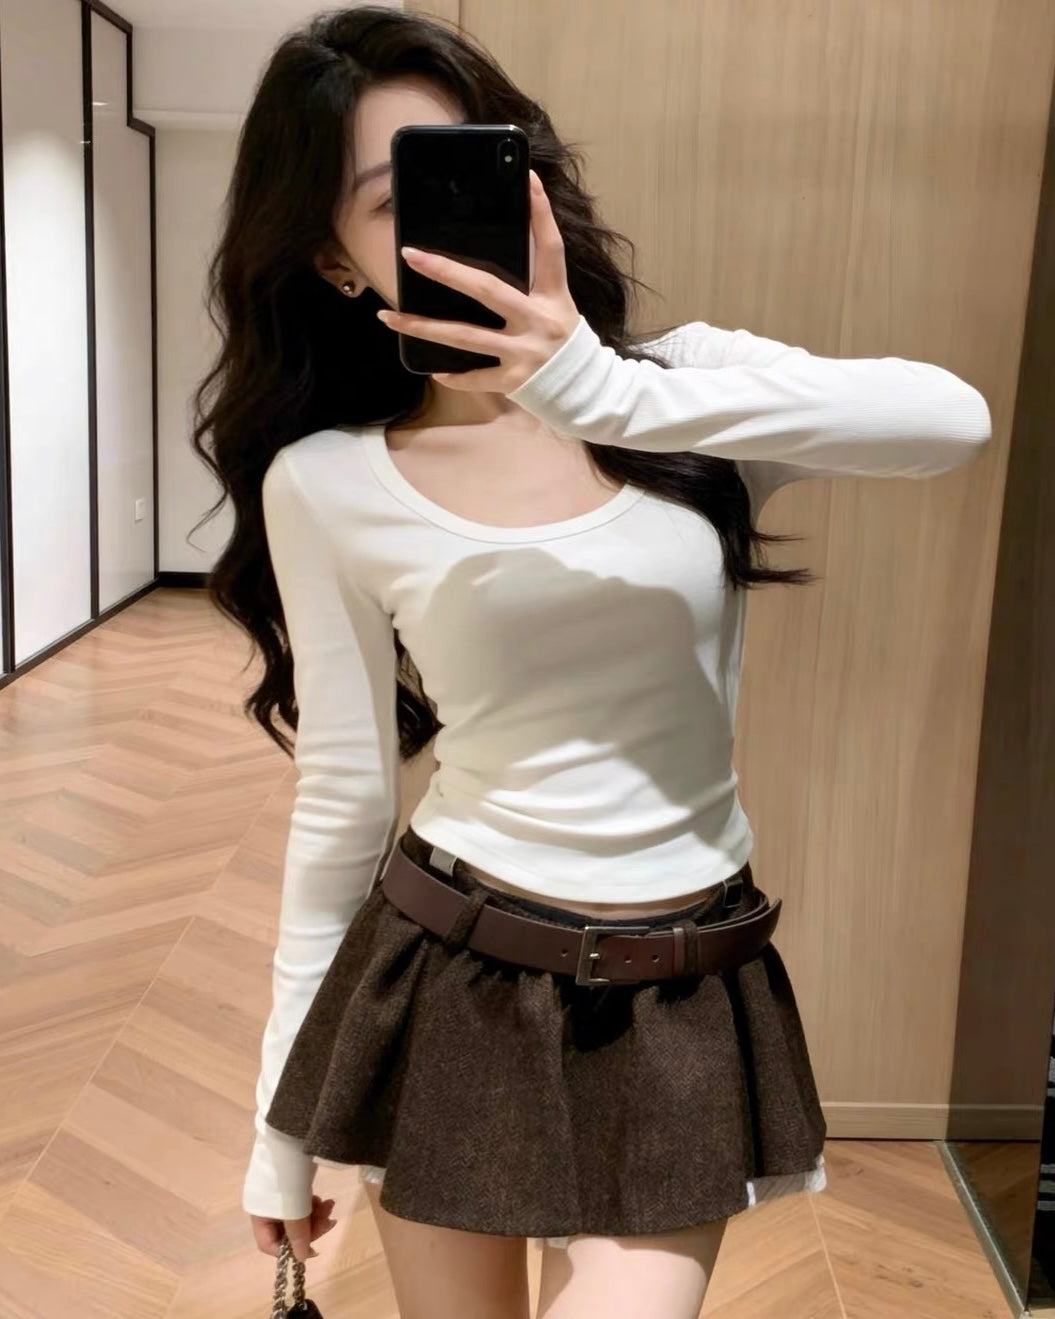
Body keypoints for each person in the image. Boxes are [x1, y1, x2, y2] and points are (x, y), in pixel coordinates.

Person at [190, 8, 991, 1318]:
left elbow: (952, 421)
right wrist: (281, 1125)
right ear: (334, 260)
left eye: (484, 169)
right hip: (448, 975)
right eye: (400, 198)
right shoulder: (328, 481)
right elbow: (341, 804)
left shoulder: (684, 394)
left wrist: (600, 394)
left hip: (677, 987)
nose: (465, 219)